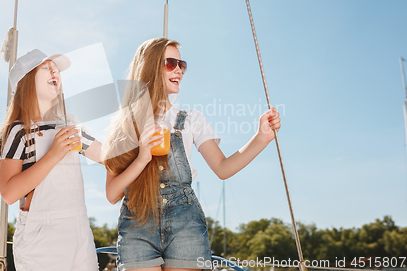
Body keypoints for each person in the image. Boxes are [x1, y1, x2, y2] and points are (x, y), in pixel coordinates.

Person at [102, 37, 281, 271]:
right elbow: (112, 194)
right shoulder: (123, 125)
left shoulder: (191, 119)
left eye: (182, 64)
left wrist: (261, 138)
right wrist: (142, 158)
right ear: (150, 66)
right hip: (137, 226)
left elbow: (223, 168)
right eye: (170, 63)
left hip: (185, 224)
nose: (179, 70)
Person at [0, 49, 101, 271]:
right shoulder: (18, 131)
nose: (55, 72)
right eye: (46, 68)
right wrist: (53, 155)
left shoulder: (72, 128)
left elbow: (108, 155)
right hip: (42, 234)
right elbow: (9, 192)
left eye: (57, 70)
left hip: (80, 229)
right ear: (25, 82)